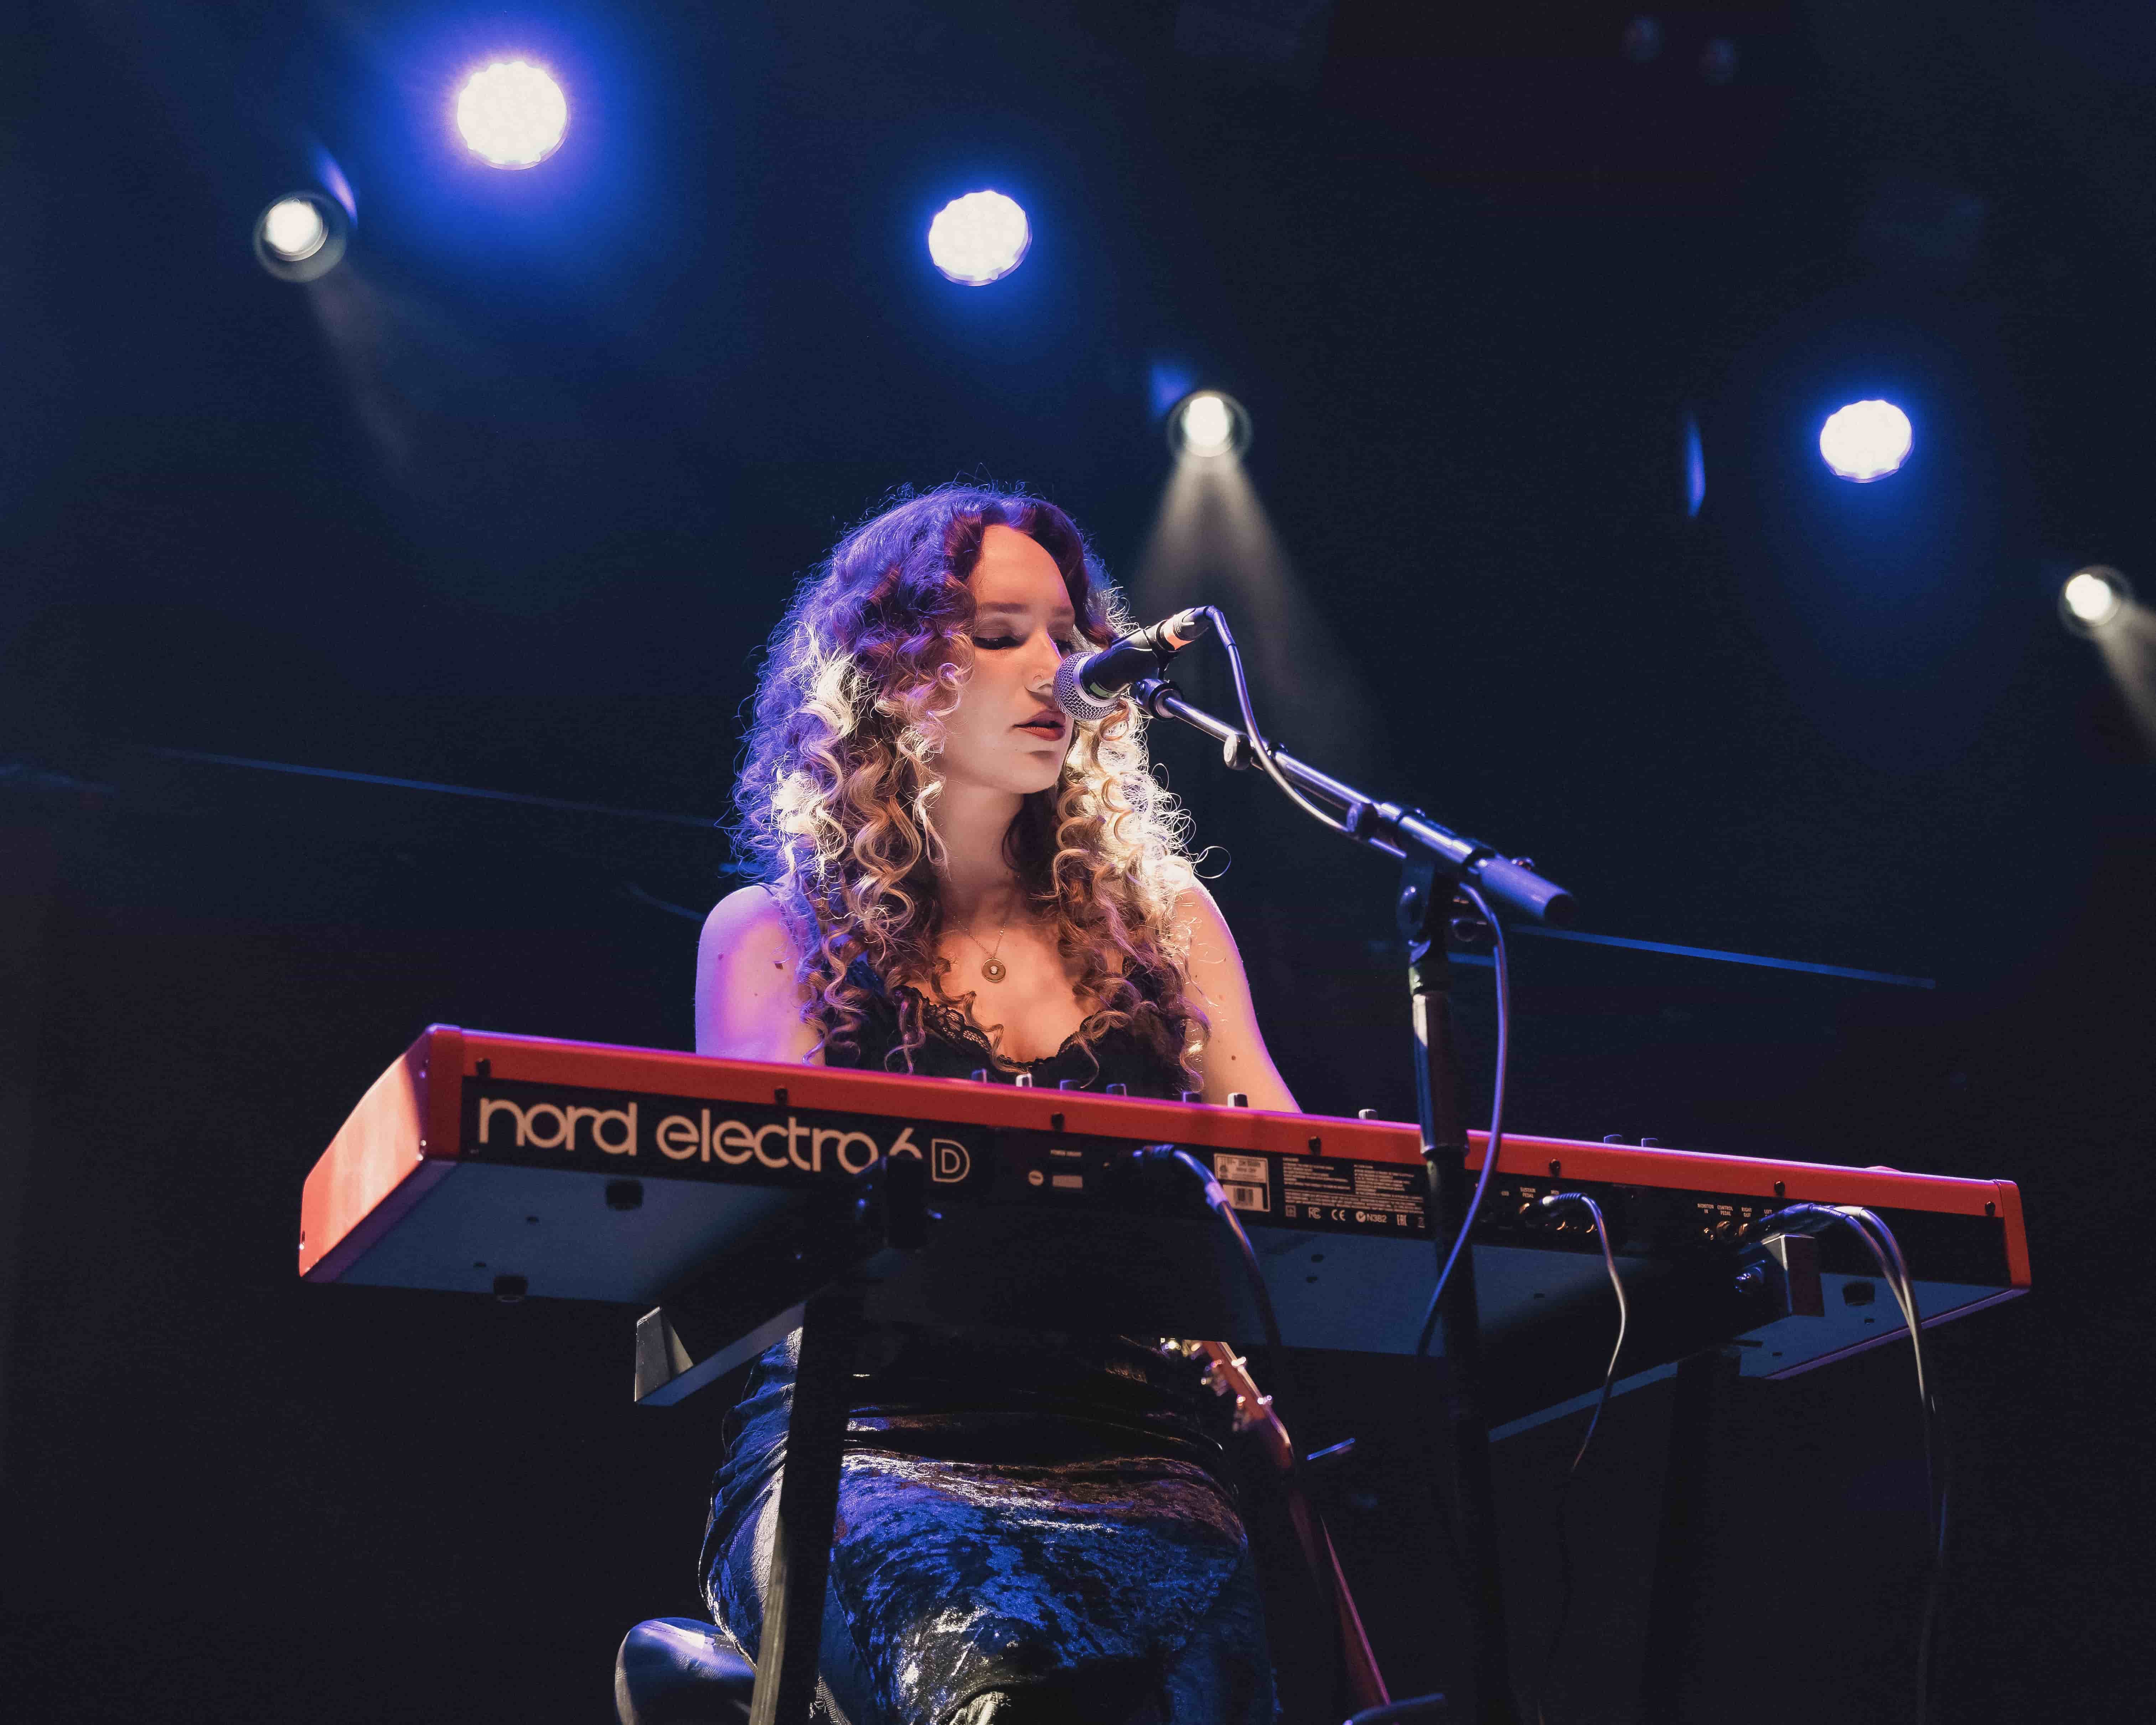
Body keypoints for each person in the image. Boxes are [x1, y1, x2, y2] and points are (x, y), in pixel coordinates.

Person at [694, 485, 1300, 1725]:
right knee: (993, 1691)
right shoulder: (772, 935)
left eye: (1071, 634)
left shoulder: (1164, 924)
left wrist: (1234, 1286)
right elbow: (759, 1237)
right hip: (866, 1441)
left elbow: (1286, 1180)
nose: (1057, 667)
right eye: (1000, 631)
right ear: (890, 671)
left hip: (1139, 1446)